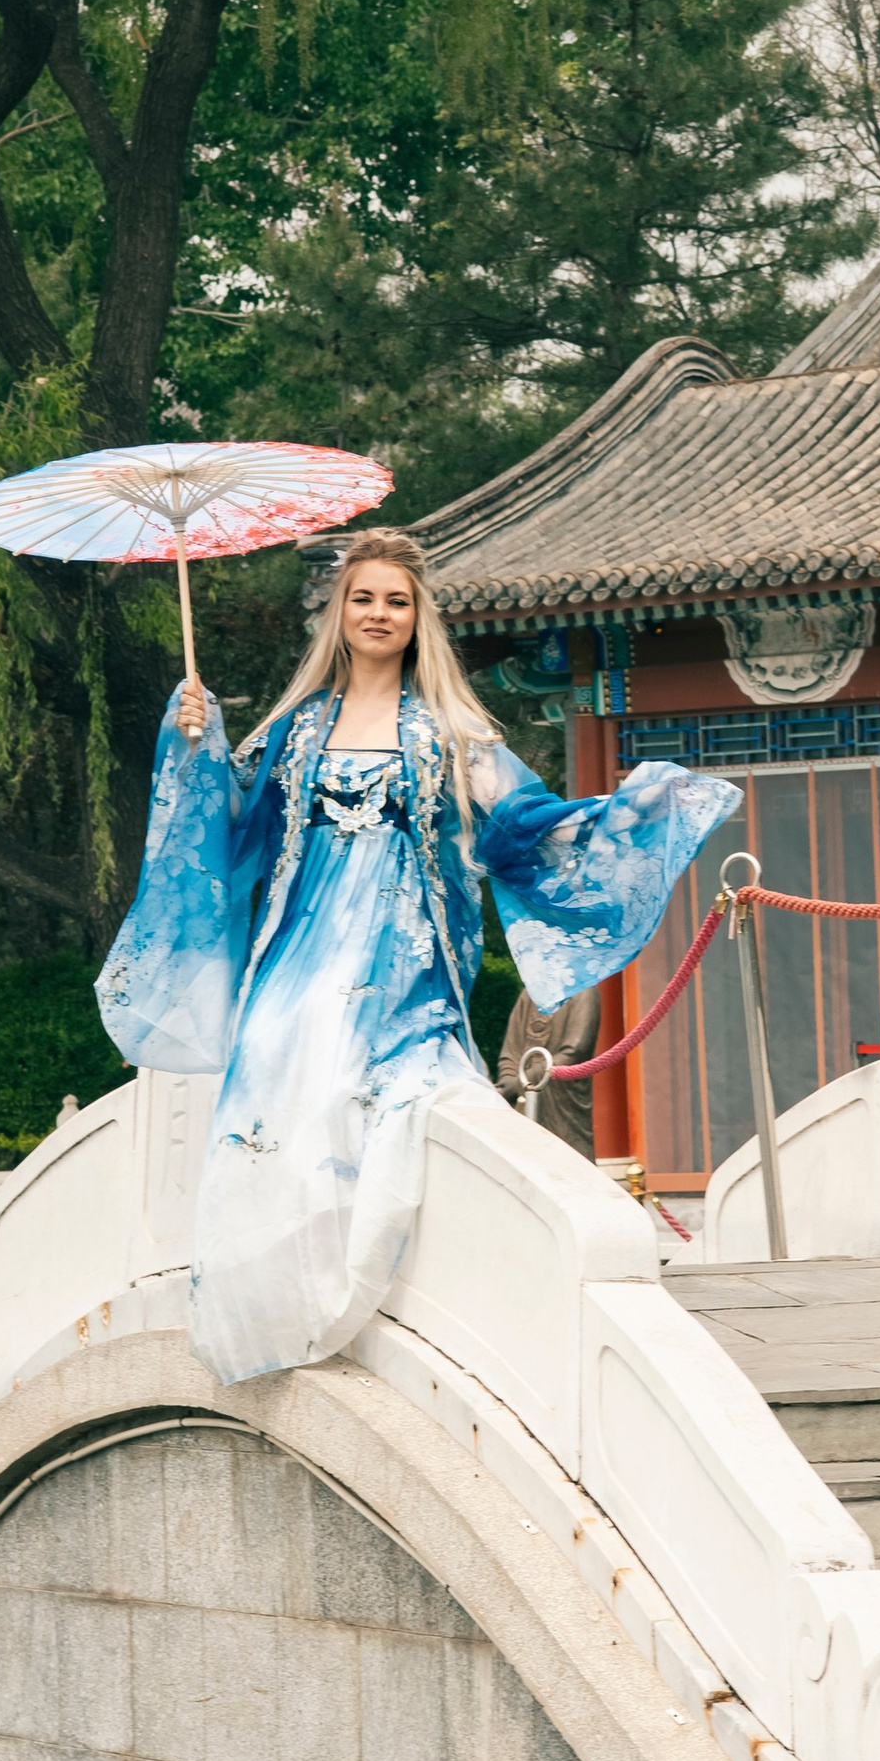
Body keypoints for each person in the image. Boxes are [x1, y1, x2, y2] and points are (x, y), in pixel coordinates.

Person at [96, 528, 737, 1383]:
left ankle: (358, 1286)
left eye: (396, 601)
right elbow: (229, 828)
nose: (379, 613)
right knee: (275, 1071)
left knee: (365, 1089)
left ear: (417, 617)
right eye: (364, 598)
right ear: (339, 612)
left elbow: (525, 828)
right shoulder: (295, 730)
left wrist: (637, 811)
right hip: (297, 942)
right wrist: (196, 746)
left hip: (398, 949)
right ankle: (272, 1296)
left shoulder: (450, 734)